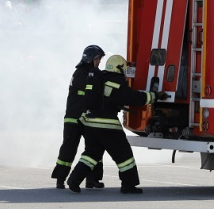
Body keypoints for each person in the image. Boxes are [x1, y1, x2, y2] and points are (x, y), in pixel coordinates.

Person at [65, 54, 166, 194]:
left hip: (91, 123)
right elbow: (134, 98)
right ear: (119, 68)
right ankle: (128, 185)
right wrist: (155, 96)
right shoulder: (115, 82)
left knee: (91, 155)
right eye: (123, 69)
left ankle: (74, 179)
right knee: (125, 156)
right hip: (107, 126)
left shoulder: (101, 78)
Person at [51, 45, 106, 190]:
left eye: (99, 59)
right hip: (74, 119)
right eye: (97, 59)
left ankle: (92, 179)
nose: (99, 61)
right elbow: (92, 87)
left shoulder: (95, 73)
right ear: (89, 59)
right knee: (68, 149)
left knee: (94, 149)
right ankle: (60, 179)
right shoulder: (80, 73)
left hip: (89, 118)